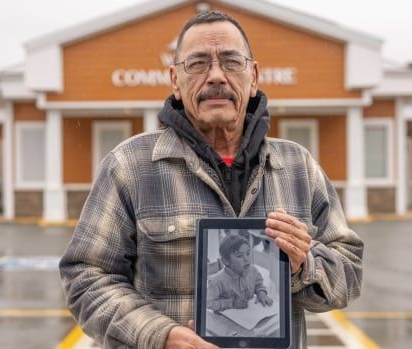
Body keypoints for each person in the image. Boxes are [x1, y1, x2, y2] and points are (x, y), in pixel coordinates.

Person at [59, 10, 363, 349]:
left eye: (232, 62)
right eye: (198, 63)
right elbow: (85, 277)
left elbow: (349, 274)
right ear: (175, 79)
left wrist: (302, 263)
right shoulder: (130, 166)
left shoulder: (298, 167)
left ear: (254, 76)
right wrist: (159, 336)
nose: (216, 76)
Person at [206, 234, 273, 312]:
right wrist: (231, 303)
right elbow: (208, 302)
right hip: (227, 319)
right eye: (239, 256)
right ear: (226, 261)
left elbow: (259, 284)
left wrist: (261, 293)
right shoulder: (217, 281)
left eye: (248, 253)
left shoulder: (253, 271)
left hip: (249, 315)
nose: (247, 259)